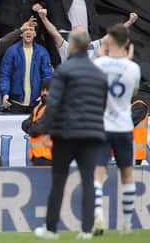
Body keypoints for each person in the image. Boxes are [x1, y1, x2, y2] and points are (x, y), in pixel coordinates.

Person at [34, 31, 108, 240]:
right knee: (87, 181)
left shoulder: (64, 70)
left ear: (74, 47)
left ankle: (50, 229)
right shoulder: (99, 73)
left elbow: (54, 103)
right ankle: (86, 230)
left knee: (59, 181)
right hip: (91, 135)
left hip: (65, 134)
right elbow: (102, 104)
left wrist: (43, 128)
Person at [92, 25, 141, 235]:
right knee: (127, 174)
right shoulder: (133, 68)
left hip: (103, 124)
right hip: (123, 125)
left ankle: (99, 215)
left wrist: (102, 55)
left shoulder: (100, 64)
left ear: (111, 42)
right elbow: (135, 91)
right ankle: (127, 223)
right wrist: (126, 61)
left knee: (98, 173)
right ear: (127, 43)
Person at [0, 25, 54, 114]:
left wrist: (44, 94)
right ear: (21, 34)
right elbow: (5, 75)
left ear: (35, 34)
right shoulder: (11, 51)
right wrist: (5, 93)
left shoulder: (42, 52)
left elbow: (48, 75)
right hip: (16, 102)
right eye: (25, 30)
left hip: (37, 102)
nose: (28, 32)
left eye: (31, 30)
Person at [22, 80, 53, 166]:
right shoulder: (38, 107)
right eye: (43, 90)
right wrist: (32, 125)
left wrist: (31, 125)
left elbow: (35, 130)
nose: (44, 93)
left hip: (49, 156)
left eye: (47, 90)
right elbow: (24, 124)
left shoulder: (53, 108)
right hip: (37, 155)